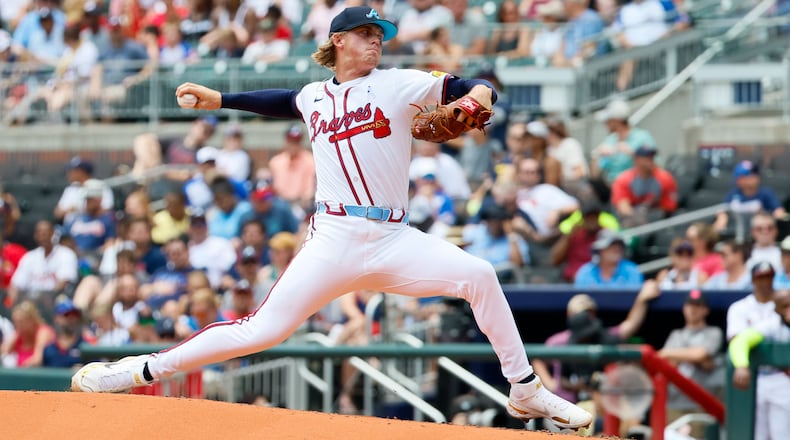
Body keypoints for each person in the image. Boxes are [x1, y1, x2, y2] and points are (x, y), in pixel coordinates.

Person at [72, 6, 593, 430]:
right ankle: (135, 371)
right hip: (334, 236)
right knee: (260, 331)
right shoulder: (314, 95)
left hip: (393, 236)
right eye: (366, 34)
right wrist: (222, 98)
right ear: (339, 40)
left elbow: (470, 84)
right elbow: (283, 101)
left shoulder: (398, 83)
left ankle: (525, 391)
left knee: (478, 275)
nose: (376, 42)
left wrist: (478, 95)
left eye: (380, 36)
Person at [729, 288, 790, 440]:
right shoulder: (772, 324)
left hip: (785, 383)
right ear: (777, 310)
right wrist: (741, 365)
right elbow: (741, 341)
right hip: (769, 378)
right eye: (785, 306)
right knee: (759, 434)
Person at [659, 289, 724, 427]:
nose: (693, 309)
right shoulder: (675, 334)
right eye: (689, 305)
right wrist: (694, 357)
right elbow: (664, 361)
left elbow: (699, 354)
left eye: (697, 305)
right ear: (684, 308)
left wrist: (672, 354)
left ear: (705, 310)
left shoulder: (713, 332)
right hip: (674, 403)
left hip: (701, 403)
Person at [574, 229, 643, 288]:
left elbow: (635, 299)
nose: (617, 249)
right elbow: (580, 299)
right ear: (600, 250)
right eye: (611, 245)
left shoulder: (631, 270)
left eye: (620, 245)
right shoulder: (586, 272)